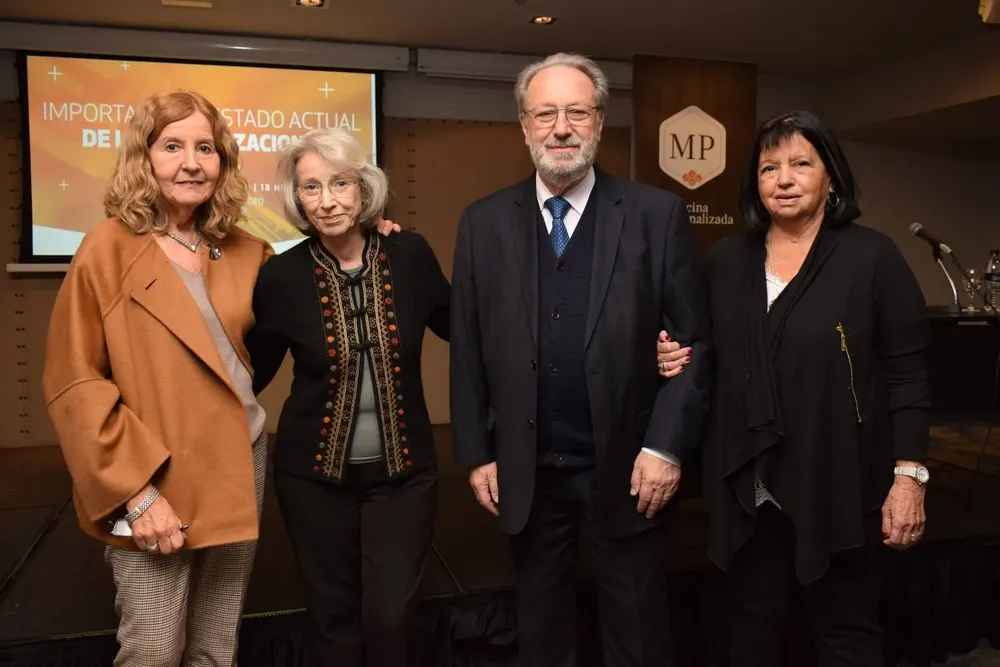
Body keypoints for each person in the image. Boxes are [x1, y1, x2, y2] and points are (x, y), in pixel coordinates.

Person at [449, 52, 713, 667]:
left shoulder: (656, 215)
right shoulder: (483, 222)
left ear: (600, 121)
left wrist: (666, 448)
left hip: (629, 467)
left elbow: (693, 345)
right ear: (524, 125)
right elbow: (468, 344)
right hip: (527, 468)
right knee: (542, 637)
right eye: (545, 114)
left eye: (577, 112)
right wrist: (477, 452)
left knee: (638, 633)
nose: (561, 128)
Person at [656, 109, 930, 666]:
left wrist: (909, 478)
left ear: (831, 176)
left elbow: (908, 376)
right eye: (769, 168)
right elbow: (703, 352)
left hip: (840, 482)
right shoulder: (726, 260)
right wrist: (671, 357)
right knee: (751, 628)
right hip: (749, 486)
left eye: (801, 164)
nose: (783, 179)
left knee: (845, 631)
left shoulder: (872, 257)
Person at [42, 90, 272, 666]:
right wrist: (135, 494)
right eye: (172, 146)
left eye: (205, 148)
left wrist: (371, 231)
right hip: (152, 472)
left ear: (223, 161)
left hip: (240, 457)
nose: (191, 163)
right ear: (143, 157)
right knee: (154, 648)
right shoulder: (106, 248)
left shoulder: (248, 252)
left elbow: (296, 314)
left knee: (216, 647)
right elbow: (75, 381)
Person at [246, 127, 450, 667]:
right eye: (311, 187)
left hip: (404, 478)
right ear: (297, 198)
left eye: (340, 183)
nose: (327, 201)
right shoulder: (281, 276)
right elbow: (249, 372)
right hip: (311, 481)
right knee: (332, 622)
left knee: (391, 619)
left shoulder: (409, 254)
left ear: (364, 188)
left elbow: (465, 328)